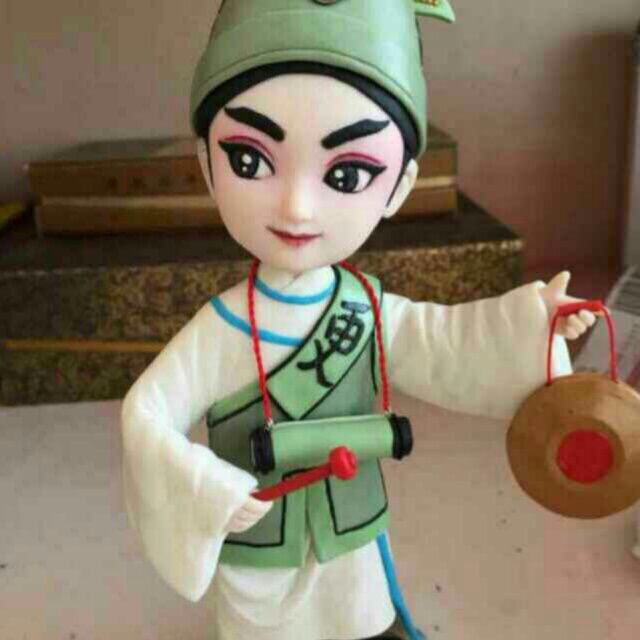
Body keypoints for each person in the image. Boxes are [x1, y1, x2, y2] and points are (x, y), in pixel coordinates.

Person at [120, 1, 599, 638]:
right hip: (260, 544)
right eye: (250, 161)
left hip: (349, 533)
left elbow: (446, 344)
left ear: (399, 185)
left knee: (357, 619)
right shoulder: (223, 327)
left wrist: (534, 326)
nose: (296, 206)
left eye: (347, 174)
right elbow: (147, 415)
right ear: (207, 163)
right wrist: (209, 488)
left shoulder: (367, 309)